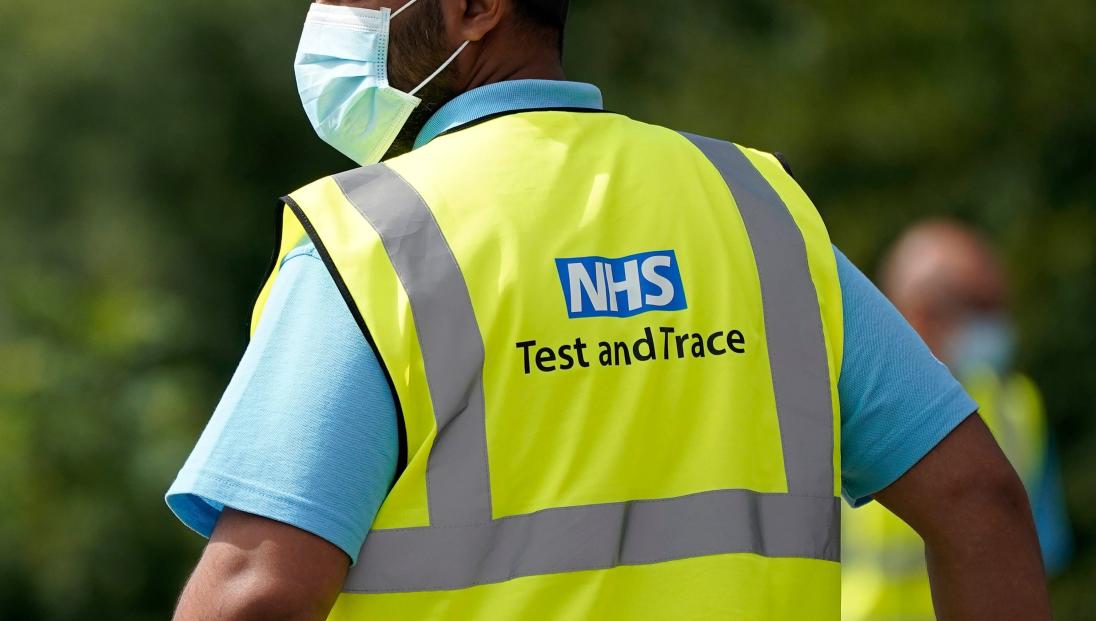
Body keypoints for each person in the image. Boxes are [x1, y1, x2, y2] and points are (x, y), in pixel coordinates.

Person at [165, 1, 1051, 619]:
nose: (331, 16)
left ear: (478, 7)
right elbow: (980, 498)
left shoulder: (376, 242)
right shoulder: (757, 210)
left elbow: (258, 595)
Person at [842, 220, 1072, 621]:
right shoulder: (834, 399)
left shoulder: (1016, 405)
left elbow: (1039, 555)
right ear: (917, 312)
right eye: (977, 306)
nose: (997, 324)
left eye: (997, 304)